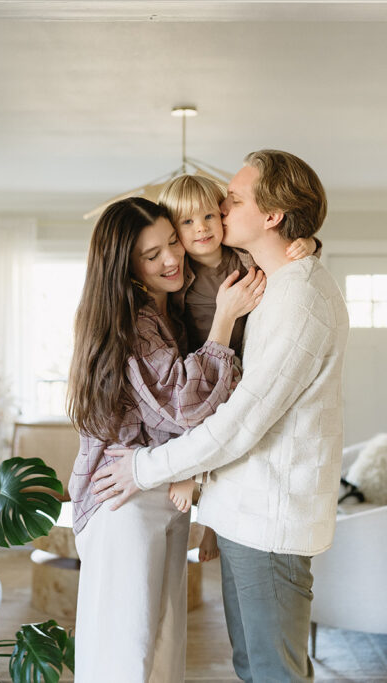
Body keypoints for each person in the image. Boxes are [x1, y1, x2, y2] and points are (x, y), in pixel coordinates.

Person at [92, 150, 349, 682]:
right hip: (245, 512)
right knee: (253, 668)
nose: (219, 210)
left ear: (273, 216)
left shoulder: (298, 295)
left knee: (271, 673)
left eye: (232, 200)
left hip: (269, 518)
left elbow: (241, 420)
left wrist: (144, 468)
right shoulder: (271, 284)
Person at [66, 196, 266, 682]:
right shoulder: (132, 320)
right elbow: (184, 404)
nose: (172, 259)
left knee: (161, 647)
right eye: (151, 255)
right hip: (121, 497)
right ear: (126, 267)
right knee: (125, 652)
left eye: (172, 242)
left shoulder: (170, 313)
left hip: (157, 488)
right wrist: (224, 320)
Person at [157, 173, 317, 562]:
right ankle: (188, 477)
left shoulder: (241, 256)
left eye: (210, 216)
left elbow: (282, 253)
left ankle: (213, 525)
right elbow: (175, 332)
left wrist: (309, 242)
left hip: (249, 359)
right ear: (175, 232)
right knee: (196, 420)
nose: (202, 229)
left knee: (234, 441)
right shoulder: (180, 278)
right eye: (188, 223)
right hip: (206, 360)